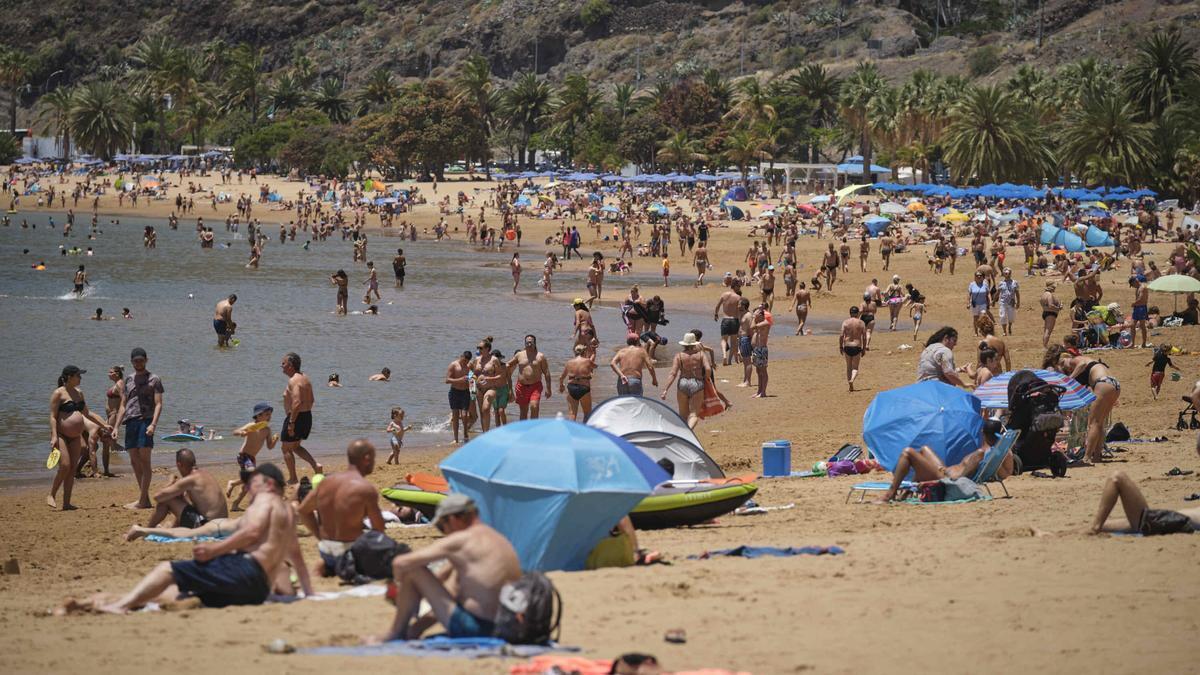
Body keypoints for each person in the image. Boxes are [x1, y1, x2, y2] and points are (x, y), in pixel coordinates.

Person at [83, 464, 312, 613]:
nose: (251, 489)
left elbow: (251, 532)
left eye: (254, 483)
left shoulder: (265, 500)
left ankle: (120, 606)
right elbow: (298, 559)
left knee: (167, 569)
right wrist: (310, 595)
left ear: (269, 484)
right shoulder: (289, 514)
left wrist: (215, 550)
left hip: (243, 568)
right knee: (182, 594)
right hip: (259, 589)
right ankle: (111, 600)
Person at [371, 494, 521, 642]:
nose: (445, 533)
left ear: (453, 519)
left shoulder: (462, 539)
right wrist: (416, 628)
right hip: (504, 627)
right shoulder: (497, 538)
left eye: (442, 526)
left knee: (413, 570)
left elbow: (401, 563)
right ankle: (411, 631)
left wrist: (395, 586)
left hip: (476, 628)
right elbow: (450, 592)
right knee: (437, 584)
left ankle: (395, 633)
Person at [297, 440, 387, 577]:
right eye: (374, 458)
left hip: (326, 550)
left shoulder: (326, 482)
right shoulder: (365, 489)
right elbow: (379, 529)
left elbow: (303, 511)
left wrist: (319, 536)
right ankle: (345, 566)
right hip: (351, 552)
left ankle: (328, 565)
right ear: (367, 459)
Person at [875, 419, 1012, 503]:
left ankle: (890, 494)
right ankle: (910, 489)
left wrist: (940, 477)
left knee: (908, 452)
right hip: (944, 471)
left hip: (946, 478)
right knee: (924, 449)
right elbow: (1007, 471)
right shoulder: (991, 452)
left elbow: (961, 478)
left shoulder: (981, 453)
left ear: (983, 432)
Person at [48, 366, 113, 510]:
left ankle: (66, 503)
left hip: (76, 436)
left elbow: (88, 413)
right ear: (70, 377)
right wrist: (53, 436)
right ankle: (52, 494)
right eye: (78, 375)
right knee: (64, 466)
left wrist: (104, 425)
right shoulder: (58, 393)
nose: (80, 378)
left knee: (72, 470)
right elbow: (52, 417)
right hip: (61, 435)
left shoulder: (79, 393)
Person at [1044, 346, 1120, 464]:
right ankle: (1097, 457)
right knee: (1099, 424)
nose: (1066, 369)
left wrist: (1069, 379)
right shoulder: (1087, 363)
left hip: (1103, 383)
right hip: (1113, 385)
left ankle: (1087, 458)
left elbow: (1082, 364)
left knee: (1093, 423)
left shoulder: (1071, 360)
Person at [113, 348, 164, 510]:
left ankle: (142, 500)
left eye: (141, 360)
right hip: (131, 423)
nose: (138, 363)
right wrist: (116, 427)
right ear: (131, 362)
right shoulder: (128, 380)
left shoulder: (154, 379)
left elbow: (159, 404)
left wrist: (153, 424)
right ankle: (145, 499)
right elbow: (123, 405)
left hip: (146, 421)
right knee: (134, 461)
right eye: (135, 361)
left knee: (145, 461)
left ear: (146, 360)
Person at [1090, 471, 1199, 535]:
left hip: (1174, 521)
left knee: (1117, 477)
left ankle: (1095, 528)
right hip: (1172, 519)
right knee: (1108, 525)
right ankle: (1093, 527)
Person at [143, 448, 229, 529]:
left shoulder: (190, 479)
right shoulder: (206, 474)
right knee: (179, 500)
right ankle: (172, 527)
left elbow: (157, 497)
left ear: (179, 464)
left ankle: (147, 530)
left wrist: (170, 482)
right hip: (222, 523)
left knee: (167, 500)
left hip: (208, 526)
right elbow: (190, 506)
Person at [280, 352, 323, 484]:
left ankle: (293, 478)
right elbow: (312, 399)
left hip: (296, 417)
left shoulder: (293, 380)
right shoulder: (305, 378)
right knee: (296, 446)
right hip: (306, 416)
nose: (281, 365)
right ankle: (316, 465)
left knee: (285, 448)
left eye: (284, 363)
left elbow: (297, 402)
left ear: (291, 366)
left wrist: (291, 423)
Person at [226, 402, 278, 511]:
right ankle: (232, 483)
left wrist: (274, 440)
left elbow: (270, 447)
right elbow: (234, 432)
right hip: (244, 456)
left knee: (248, 483)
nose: (269, 417)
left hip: (252, 458)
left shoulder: (267, 430)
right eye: (267, 414)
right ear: (258, 415)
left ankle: (235, 504)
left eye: (270, 414)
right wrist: (241, 432)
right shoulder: (251, 426)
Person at [660, 333, 708, 429]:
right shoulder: (701, 354)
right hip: (697, 383)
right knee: (694, 413)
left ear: (684, 344)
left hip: (683, 383)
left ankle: (685, 432)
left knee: (682, 414)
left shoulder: (679, 356)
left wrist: (665, 390)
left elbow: (673, 373)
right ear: (695, 343)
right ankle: (689, 430)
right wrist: (705, 379)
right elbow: (708, 369)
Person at [507, 335, 552, 420]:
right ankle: (524, 430)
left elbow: (546, 373)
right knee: (523, 411)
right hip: (521, 386)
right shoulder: (519, 355)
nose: (529, 344)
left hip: (535, 386)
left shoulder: (540, 356)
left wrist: (548, 389)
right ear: (525, 343)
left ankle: (533, 429)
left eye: (531, 342)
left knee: (534, 406)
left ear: (535, 343)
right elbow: (508, 365)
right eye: (527, 342)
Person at [559, 344, 596, 420]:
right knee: (587, 413)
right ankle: (585, 431)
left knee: (572, 414)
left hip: (571, 387)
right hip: (584, 388)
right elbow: (594, 366)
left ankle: (572, 431)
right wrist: (593, 353)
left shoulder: (569, 362)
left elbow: (561, 377)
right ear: (584, 351)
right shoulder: (587, 361)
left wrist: (561, 386)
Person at [446, 351, 475, 443]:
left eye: (467, 361)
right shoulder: (453, 365)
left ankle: (465, 434)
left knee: (464, 415)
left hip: (465, 392)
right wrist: (459, 380)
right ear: (461, 357)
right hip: (454, 392)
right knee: (455, 415)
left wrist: (473, 393)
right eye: (464, 361)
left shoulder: (469, 366)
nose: (465, 363)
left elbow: (472, 380)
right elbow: (447, 380)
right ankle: (456, 439)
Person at [839, 307, 867, 392]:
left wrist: (840, 346)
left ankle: (850, 384)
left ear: (850, 313)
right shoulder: (861, 323)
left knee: (848, 367)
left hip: (847, 346)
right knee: (855, 368)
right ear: (858, 313)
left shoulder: (845, 322)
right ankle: (852, 380)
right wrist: (864, 348)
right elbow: (864, 337)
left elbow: (841, 335)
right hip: (857, 346)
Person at [714, 285, 743, 365]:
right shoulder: (738, 297)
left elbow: (717, 306)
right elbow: (740, 310)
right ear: (735, 287)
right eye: (739, 286)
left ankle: (724, 355)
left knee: (723, 339)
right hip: (734, 320)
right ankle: (730, 361)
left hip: (725, 319)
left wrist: (716, 314)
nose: (740, 288)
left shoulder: (724, 294)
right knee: (733, 341)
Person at [749, 303, 771, 398]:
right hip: (756, 349)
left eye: (757, 315)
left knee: (763, 371)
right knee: (758, 371)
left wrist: (754, 317)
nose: (755, 317)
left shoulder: (765, 322)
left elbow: (752, 327)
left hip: (762, 349)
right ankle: (759, 391)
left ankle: (763, 392)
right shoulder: (759, 324)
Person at [996, 268, 1020, 336]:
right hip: (1003, 303)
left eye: (1009, 273)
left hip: (1011, 303)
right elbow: (998, 293)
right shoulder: (1001, 283)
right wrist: (993, 301)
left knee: (1011, 317)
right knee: (1003, 316)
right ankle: (1004, 331)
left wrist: (1018, 302)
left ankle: (1009, 327)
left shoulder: (1014, 282)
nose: (1008, 275)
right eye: (1006, 273)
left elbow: (1017, 293)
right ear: (1004, 274)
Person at [968, 270, 991, 336]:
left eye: (980, 275)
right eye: (977, 275)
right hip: (975, 304)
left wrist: (990, 300)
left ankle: (983, 330)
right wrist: (968, 303)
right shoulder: (972, 284)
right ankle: (976, 332)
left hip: (983, 303)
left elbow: (988, 293)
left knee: (983, 316)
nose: (978, 277)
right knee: (975, 318)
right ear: (975, 277)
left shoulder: (985, 284)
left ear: (982, 277)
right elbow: (969, 294)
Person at [1130, 275, 1150, 349]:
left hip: (1141, 308)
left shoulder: (1143, 287)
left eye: (1132, 285)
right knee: (1132, 325)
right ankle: (1132, 343)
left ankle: (1144, 343)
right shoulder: (1138, 288)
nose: (1132, 286)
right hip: (1136, 308)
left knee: (1142, 326)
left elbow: (1141, 299)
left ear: (1135, 281)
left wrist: (1134, 303)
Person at [1040, 280, 1062, 348]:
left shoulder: (1043, 294)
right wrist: (1058, 308)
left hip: (1046, 313)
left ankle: (1044, 345)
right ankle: (1045, 346)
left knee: (1046, 330)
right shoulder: (1049, 295)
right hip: (1050, 314)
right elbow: (1050, 305)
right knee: (1048, 331)